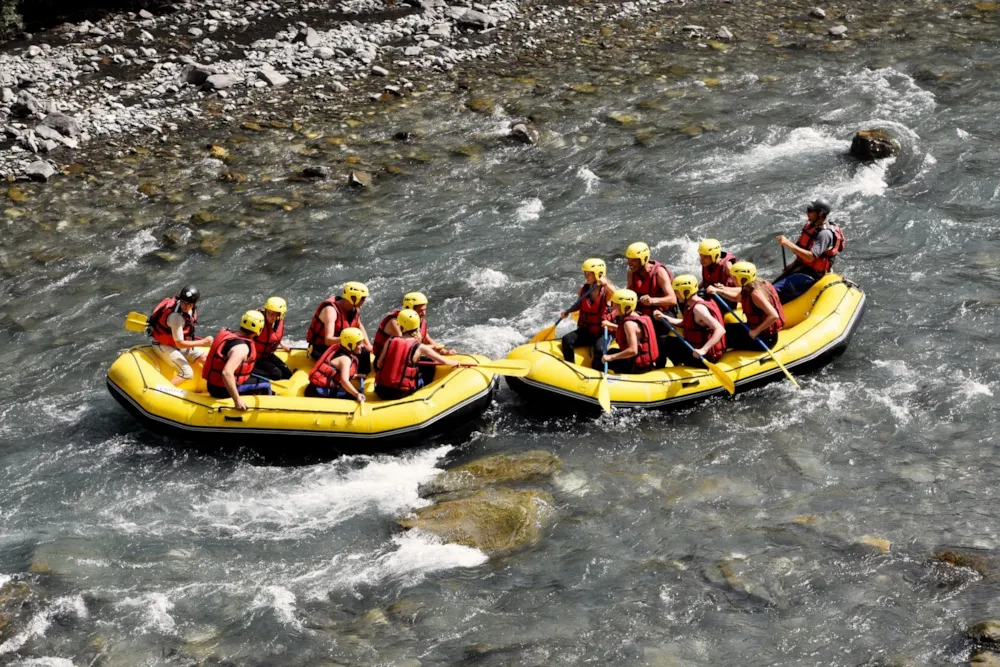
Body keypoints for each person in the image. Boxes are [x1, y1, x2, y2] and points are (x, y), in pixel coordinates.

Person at [375, 309, 459, 400]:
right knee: (428, 368)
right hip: (401, 393)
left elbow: (379, 363)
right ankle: (424, 393)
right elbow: (444, 361)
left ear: (401, 327)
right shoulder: (420, 347)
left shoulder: (390, 340)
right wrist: (456, 362)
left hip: (380, 391)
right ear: (418, 327)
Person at [773, 197, 845, 303]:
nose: (807, 213)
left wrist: (788, 243)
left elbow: (811, 257)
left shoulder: (825, 234)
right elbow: (803, 253)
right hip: (803, 268)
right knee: (770, 287)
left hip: (812, 275)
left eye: (810, 211)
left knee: (773, 292)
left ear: (820, 213)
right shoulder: (812, 226)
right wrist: (792, 266)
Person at [707, 262, 785, 351]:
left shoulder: (755, 293)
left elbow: (774, 315)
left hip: (764, 339)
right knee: (727, 328)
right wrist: (719, 291)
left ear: (742, 278)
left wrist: (756, 331)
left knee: (725, 338)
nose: (732, 280)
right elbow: (737, 298)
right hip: (759, 332)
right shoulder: (754, 285)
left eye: (734, 277)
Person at [202, 310, 272, 410]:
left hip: (213, 385)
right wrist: (237, 400)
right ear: (259, 329)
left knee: (261, 377)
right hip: (221, 390)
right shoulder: (242, 348)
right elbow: (226, 373)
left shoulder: (230, 334)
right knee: (266, 385)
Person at [148, 284, 214, 386]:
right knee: (187, 373)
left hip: (175, 343)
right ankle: (163, 393)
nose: (184, 306)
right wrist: (203, 342)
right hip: (163, 345)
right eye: (183, 302)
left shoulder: (191, 310)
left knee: (206, 359)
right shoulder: (175, 317)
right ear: (180, 299)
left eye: (188, 304)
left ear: (194, 303)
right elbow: (180, 344)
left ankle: (214, 386)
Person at [656, 274, 726, 367]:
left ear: (685, 291)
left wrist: (703, 350)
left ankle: (663, 367)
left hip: (703, 357)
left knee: (663, 343)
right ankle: (676, 364)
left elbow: (720, 329)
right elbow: (685, 323)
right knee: (664, 340)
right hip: (695, 349)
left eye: (676, 292)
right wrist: (664, 317)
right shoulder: (691, 304)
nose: (676, 295)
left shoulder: (698, 308)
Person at [558, 258, 618, 368]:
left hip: (603, 331)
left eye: (589, 274)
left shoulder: (607, 291)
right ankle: (571, 367)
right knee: (566, 340)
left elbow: (619, 297)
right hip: (587, 330)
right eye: (585, 274)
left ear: (598, 274)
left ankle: (597, 371)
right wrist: (568, 311)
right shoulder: (583, 289)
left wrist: (606, 284)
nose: (586, 277)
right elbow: (579, 305)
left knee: (599, 349)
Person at [305, 281, 373, 374]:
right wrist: (350, 341)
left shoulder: (354, 308)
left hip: (341, 344)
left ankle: (363, 379)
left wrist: (368, 345)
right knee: (347, 359)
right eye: (362, 299)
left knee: (364, 352)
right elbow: (328, 340)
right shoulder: (331, 310)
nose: (364, 301)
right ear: (353, 297)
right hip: (322, 347)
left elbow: (359, 325)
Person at [625, 241, 676, 363]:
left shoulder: (659, 272)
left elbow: (672, 299)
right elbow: (630, 294)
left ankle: (660, 361)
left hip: (662, 313)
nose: (630, 263)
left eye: (634, 260)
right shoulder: (631, 273)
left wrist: (652, 301)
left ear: (644, 259)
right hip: (643, 312)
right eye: (629, 260)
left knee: (658, 327)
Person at [372, 291, 455, 360]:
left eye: (425, 310)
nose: (424, 313)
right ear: (410, 308)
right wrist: (432, 347)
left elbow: (426, 339)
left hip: (406, 359)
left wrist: (444, 352)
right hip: (387, 362)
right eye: (421, 310)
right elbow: (406, 347)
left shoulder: (420, 320)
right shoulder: (395, 322)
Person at [599, 289, 659, 375]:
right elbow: (632, 333)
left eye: (616, 305)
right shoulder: (636, 315)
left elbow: (633, 350)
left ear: (625, 306)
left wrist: (611, 357)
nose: (613, 308)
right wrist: (611, 326)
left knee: (604, 359)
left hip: (637, 366)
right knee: (611, 351)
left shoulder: (629, 324)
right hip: (640, 360)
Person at [305, 327, 366, 404]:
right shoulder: (345, 360)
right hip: (318, 392)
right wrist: (357, 394)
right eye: (359, 343)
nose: (363, 346)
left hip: (313, 388)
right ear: (350, 345)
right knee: (354, 395)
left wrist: (355, 376)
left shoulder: (337, 348)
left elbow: (335, 371)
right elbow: (344, 382)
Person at [252, 297, 293, 381]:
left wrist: (282, 344)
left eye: (275, 314)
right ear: (266, 310)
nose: (271, 317)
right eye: (269, 313)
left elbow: (273, 336)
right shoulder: (257, 322)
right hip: (255, 358)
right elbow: (246, 337)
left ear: (280, 315)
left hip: (267, 354)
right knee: (276, 373)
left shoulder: (278, 322)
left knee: (287, 373)